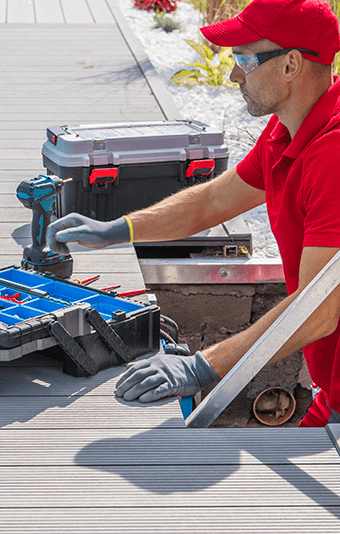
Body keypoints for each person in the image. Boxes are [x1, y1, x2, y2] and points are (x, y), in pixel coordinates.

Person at [46, 0, 340, 427]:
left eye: (244, 59)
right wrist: (118, 229)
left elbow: (318, 309)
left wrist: (201, 368)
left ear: (291, 65)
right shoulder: (288, 130)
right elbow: (211, 202)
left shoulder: (332, 158)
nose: (235, 75)